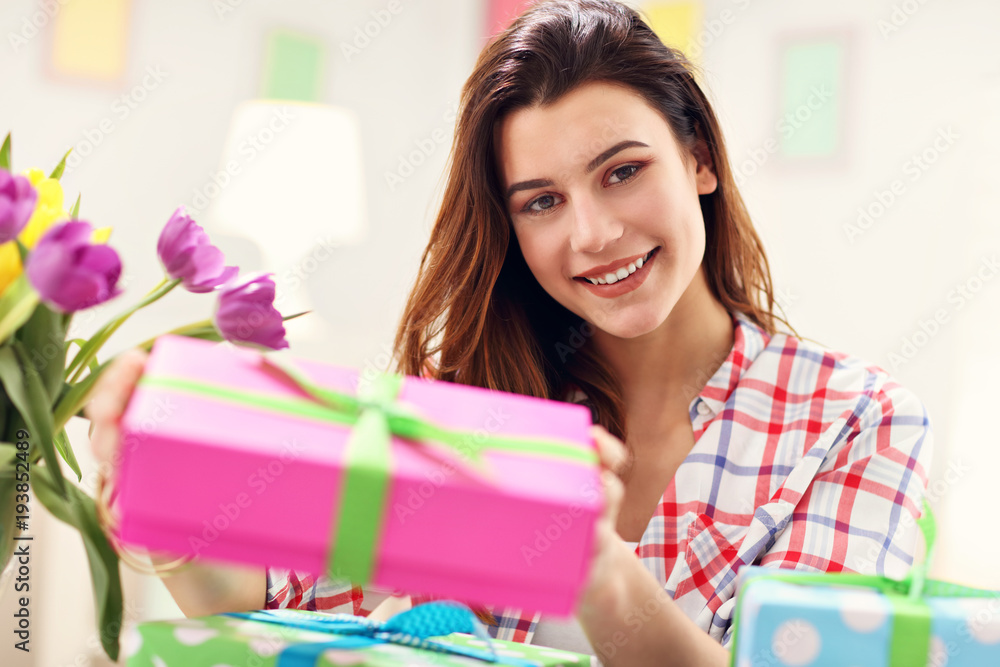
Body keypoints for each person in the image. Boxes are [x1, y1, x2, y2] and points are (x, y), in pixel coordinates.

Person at [87, 1, 933, 665]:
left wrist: (592, 561)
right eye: (542, 201)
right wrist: (161, 500)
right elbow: (279, 616)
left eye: (624, 171)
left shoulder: (856, 421)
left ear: (700, 160)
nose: (593, 232)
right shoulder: (463, 402)